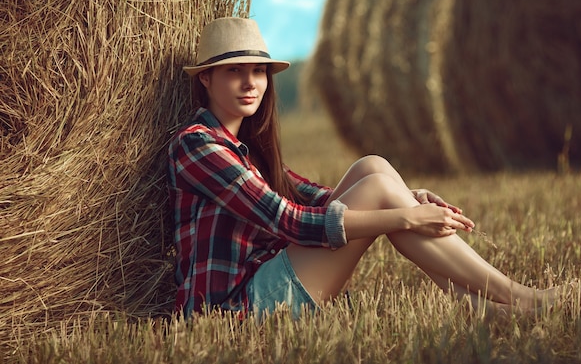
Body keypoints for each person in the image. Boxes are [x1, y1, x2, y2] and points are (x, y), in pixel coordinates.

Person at [167, 17, 559, 320]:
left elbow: (307, 194)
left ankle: (480, 306)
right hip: (235, 308)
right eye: (234, 71)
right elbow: (290, 221)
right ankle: (516, 295)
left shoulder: (246, 150)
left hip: (266, 282)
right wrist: (404, 216)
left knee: (375, 168)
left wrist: (410, 197)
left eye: (257, 71)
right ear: (206, 78)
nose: (249, 83)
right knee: (380, 193)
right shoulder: (198, 144)